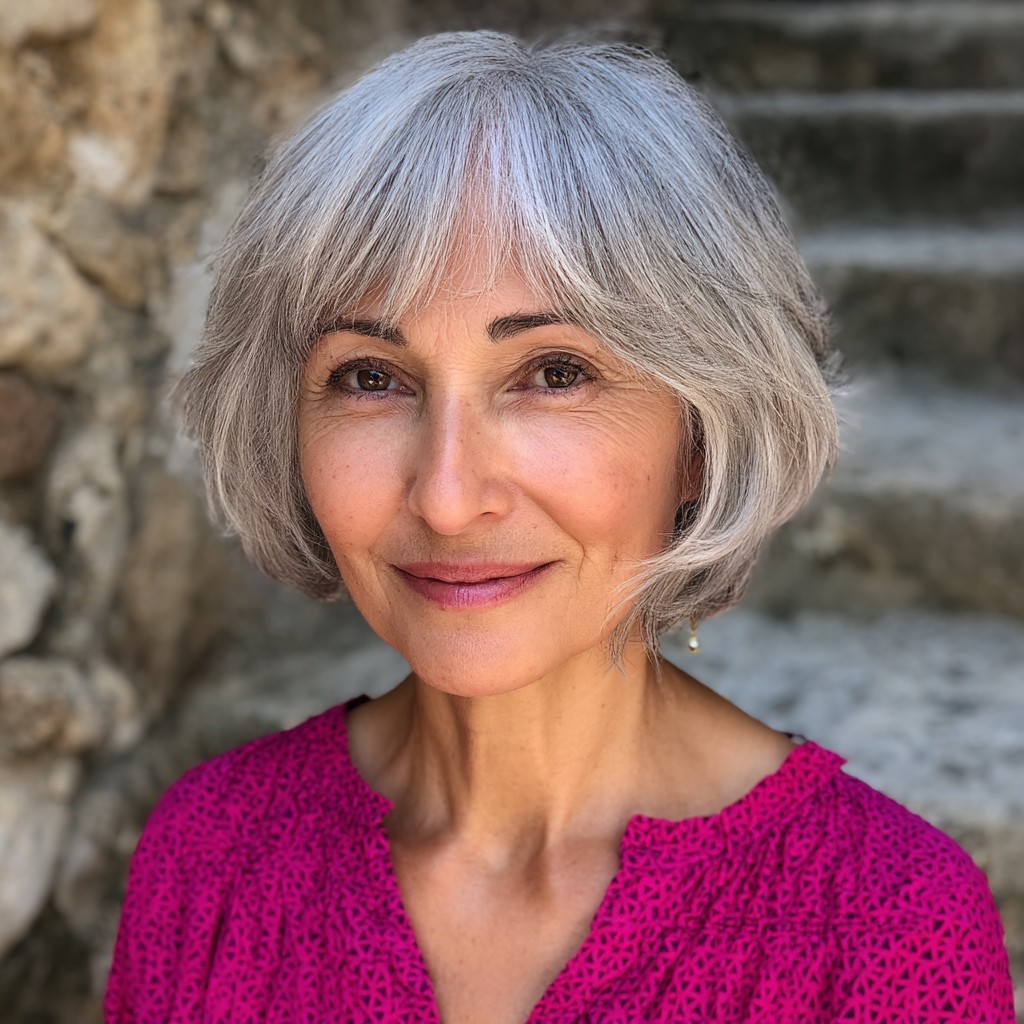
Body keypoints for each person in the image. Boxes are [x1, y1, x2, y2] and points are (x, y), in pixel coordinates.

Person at [104, 31, 1014, 1024]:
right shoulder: (211, 852)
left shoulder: (884, 925)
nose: (447, 496)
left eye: (553, 373)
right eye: (370, 377)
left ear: (700, 436)